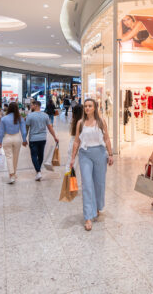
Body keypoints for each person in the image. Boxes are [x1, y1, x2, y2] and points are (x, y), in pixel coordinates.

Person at [69, 99, 114, 231]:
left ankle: (98, 206)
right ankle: (88, 216)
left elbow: (106, 138)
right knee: (87, 184)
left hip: (100, 153)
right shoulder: (80, 123)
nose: (87, 108)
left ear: (95, 108)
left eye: (90, 106)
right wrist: (72, 158)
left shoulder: (101, 122)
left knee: (99, 183)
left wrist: (110, 154)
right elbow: (76, 141)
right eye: (86, 106)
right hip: (85, 154)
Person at [25, 100, 59, 180]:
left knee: (34, 155)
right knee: (41, 155)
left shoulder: (30, 116)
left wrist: (24, 138)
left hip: (33, 139)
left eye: (32, 105)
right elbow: (50, 127)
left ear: (36, 105)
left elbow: (26, 128)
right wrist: (54, 137)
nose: (31, 106)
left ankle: (38, 172)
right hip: (43, 138)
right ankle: (38, 171)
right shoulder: (45, 115)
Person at [0, 102, 28, 184]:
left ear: (9, 108)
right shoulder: (20, 118)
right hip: (17, 138)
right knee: (15, 157)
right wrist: (24, 140)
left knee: (9, 157)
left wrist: (0, 141)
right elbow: (24, 131)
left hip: (7, 138)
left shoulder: (4, 119)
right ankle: (13, 174)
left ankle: (11, 175)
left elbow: (1, 132)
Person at [66, 104, 83, 174]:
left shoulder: (73, 121)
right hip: (81, 144)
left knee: (70, 164)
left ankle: (68, 178)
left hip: (73, 143)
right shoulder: (83, 122)